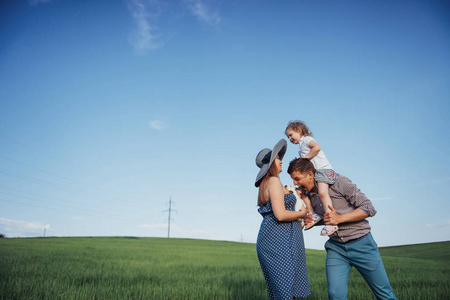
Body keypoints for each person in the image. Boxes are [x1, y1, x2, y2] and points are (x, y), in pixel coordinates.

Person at [287, 158, 397, 300]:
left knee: (384, 294)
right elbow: (328, 219)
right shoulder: (310, 195)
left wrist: (339, 218)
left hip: (361, 244)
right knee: (335, 295)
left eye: (297, 179)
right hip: (336, 248)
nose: (295, 183)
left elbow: (369, 209)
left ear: (310, 174)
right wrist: (315, 221)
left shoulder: (340, 182)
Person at [255, 139, 310, 300]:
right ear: (271, 162)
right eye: (278, 158)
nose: (281, 161)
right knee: (285, 292)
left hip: (281, 238)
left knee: (286, 291)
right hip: (277, 241)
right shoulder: (273, 181)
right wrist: (302, 213)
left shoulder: (272, 184)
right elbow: (280, 215)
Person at [285, 120, 338, 236]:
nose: (290, 138)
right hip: (316, 173)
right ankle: (313, 213)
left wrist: (305, 159)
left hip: (324, 170)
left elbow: (317, 148)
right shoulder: (300, 146)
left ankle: (331, 222)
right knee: (304, 193)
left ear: (299, 130)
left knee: (323, 193)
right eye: (288, 137)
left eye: (290, 135)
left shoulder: (307, 139)